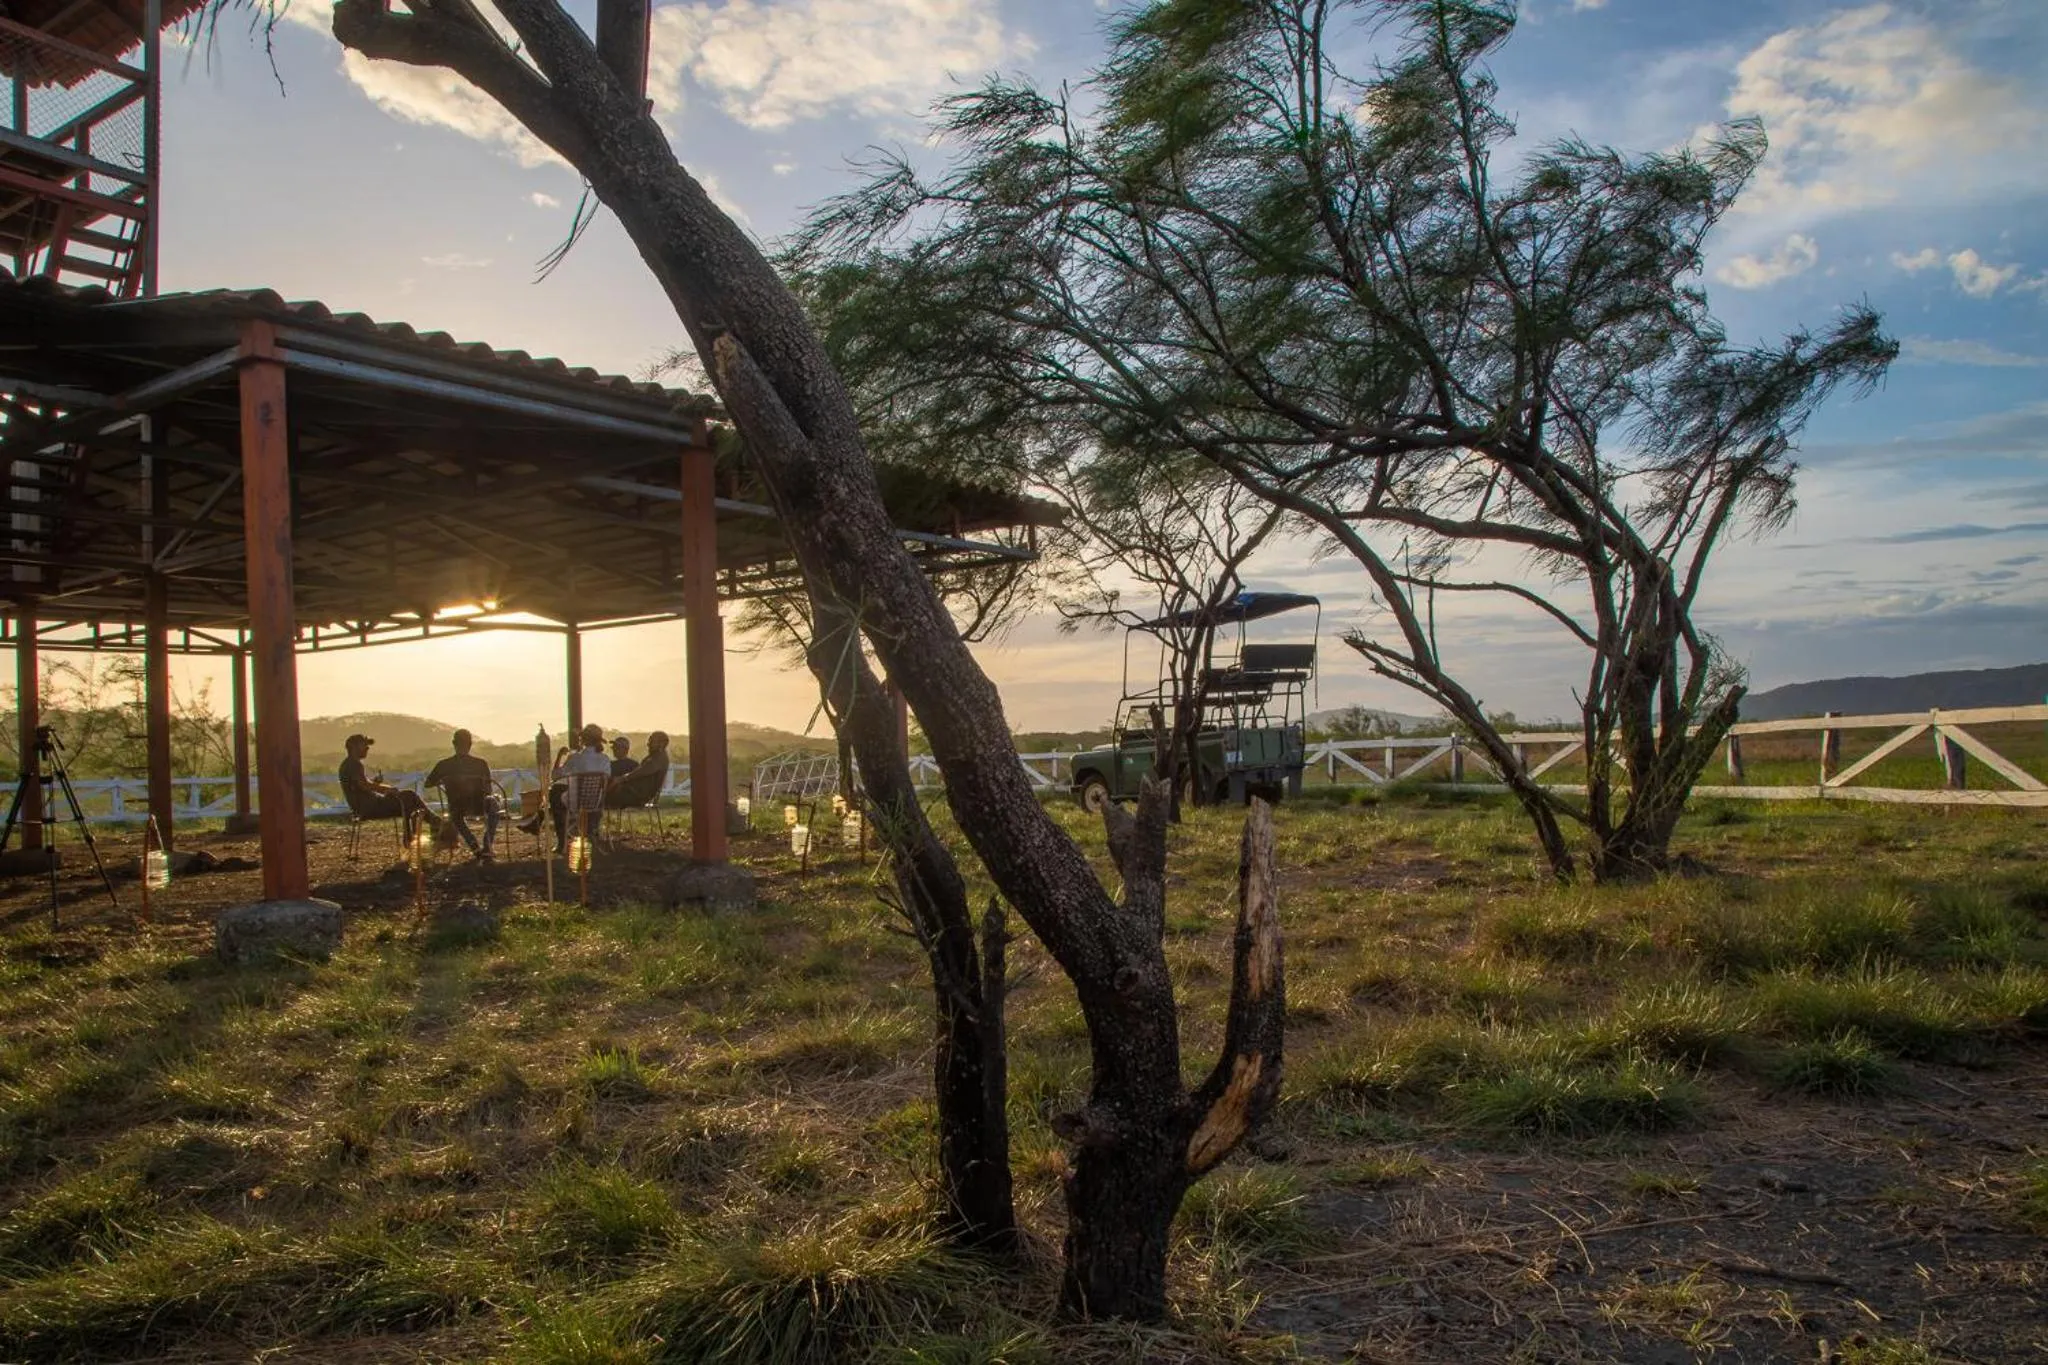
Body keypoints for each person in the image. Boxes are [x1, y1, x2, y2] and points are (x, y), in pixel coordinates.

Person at [425, 728, 503, 863]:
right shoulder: (480, 763)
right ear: (470, 744)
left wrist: (443, 781)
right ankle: (487, 845)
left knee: (455, 815)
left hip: (457, 807)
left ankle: (474, 846)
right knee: (493, 803)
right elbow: (488, 788)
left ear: (453, 743)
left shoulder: (444, 765)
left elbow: (428, 783)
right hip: (480, 804)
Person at [338, 734, 442, 834]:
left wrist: (375, 783)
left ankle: (425, 828)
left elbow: (361, 786)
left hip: (364, 807)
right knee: (409, 797)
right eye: (364, 745)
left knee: (409, 800)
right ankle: (434, 824)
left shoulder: (348, 764)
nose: (367, 748)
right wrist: (387, 789)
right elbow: (364, 785)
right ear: (353, 747)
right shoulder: (354, 765)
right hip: (370, 808)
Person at [605, 730, 671, 811]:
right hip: (637, 793)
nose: (648, 744)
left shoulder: (659, 759)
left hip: (638, 796)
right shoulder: (656, 757)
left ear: (662, 744)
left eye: (651, 741)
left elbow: (642, 771)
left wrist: (622, 779)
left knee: (604, 797)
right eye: (649, 740)